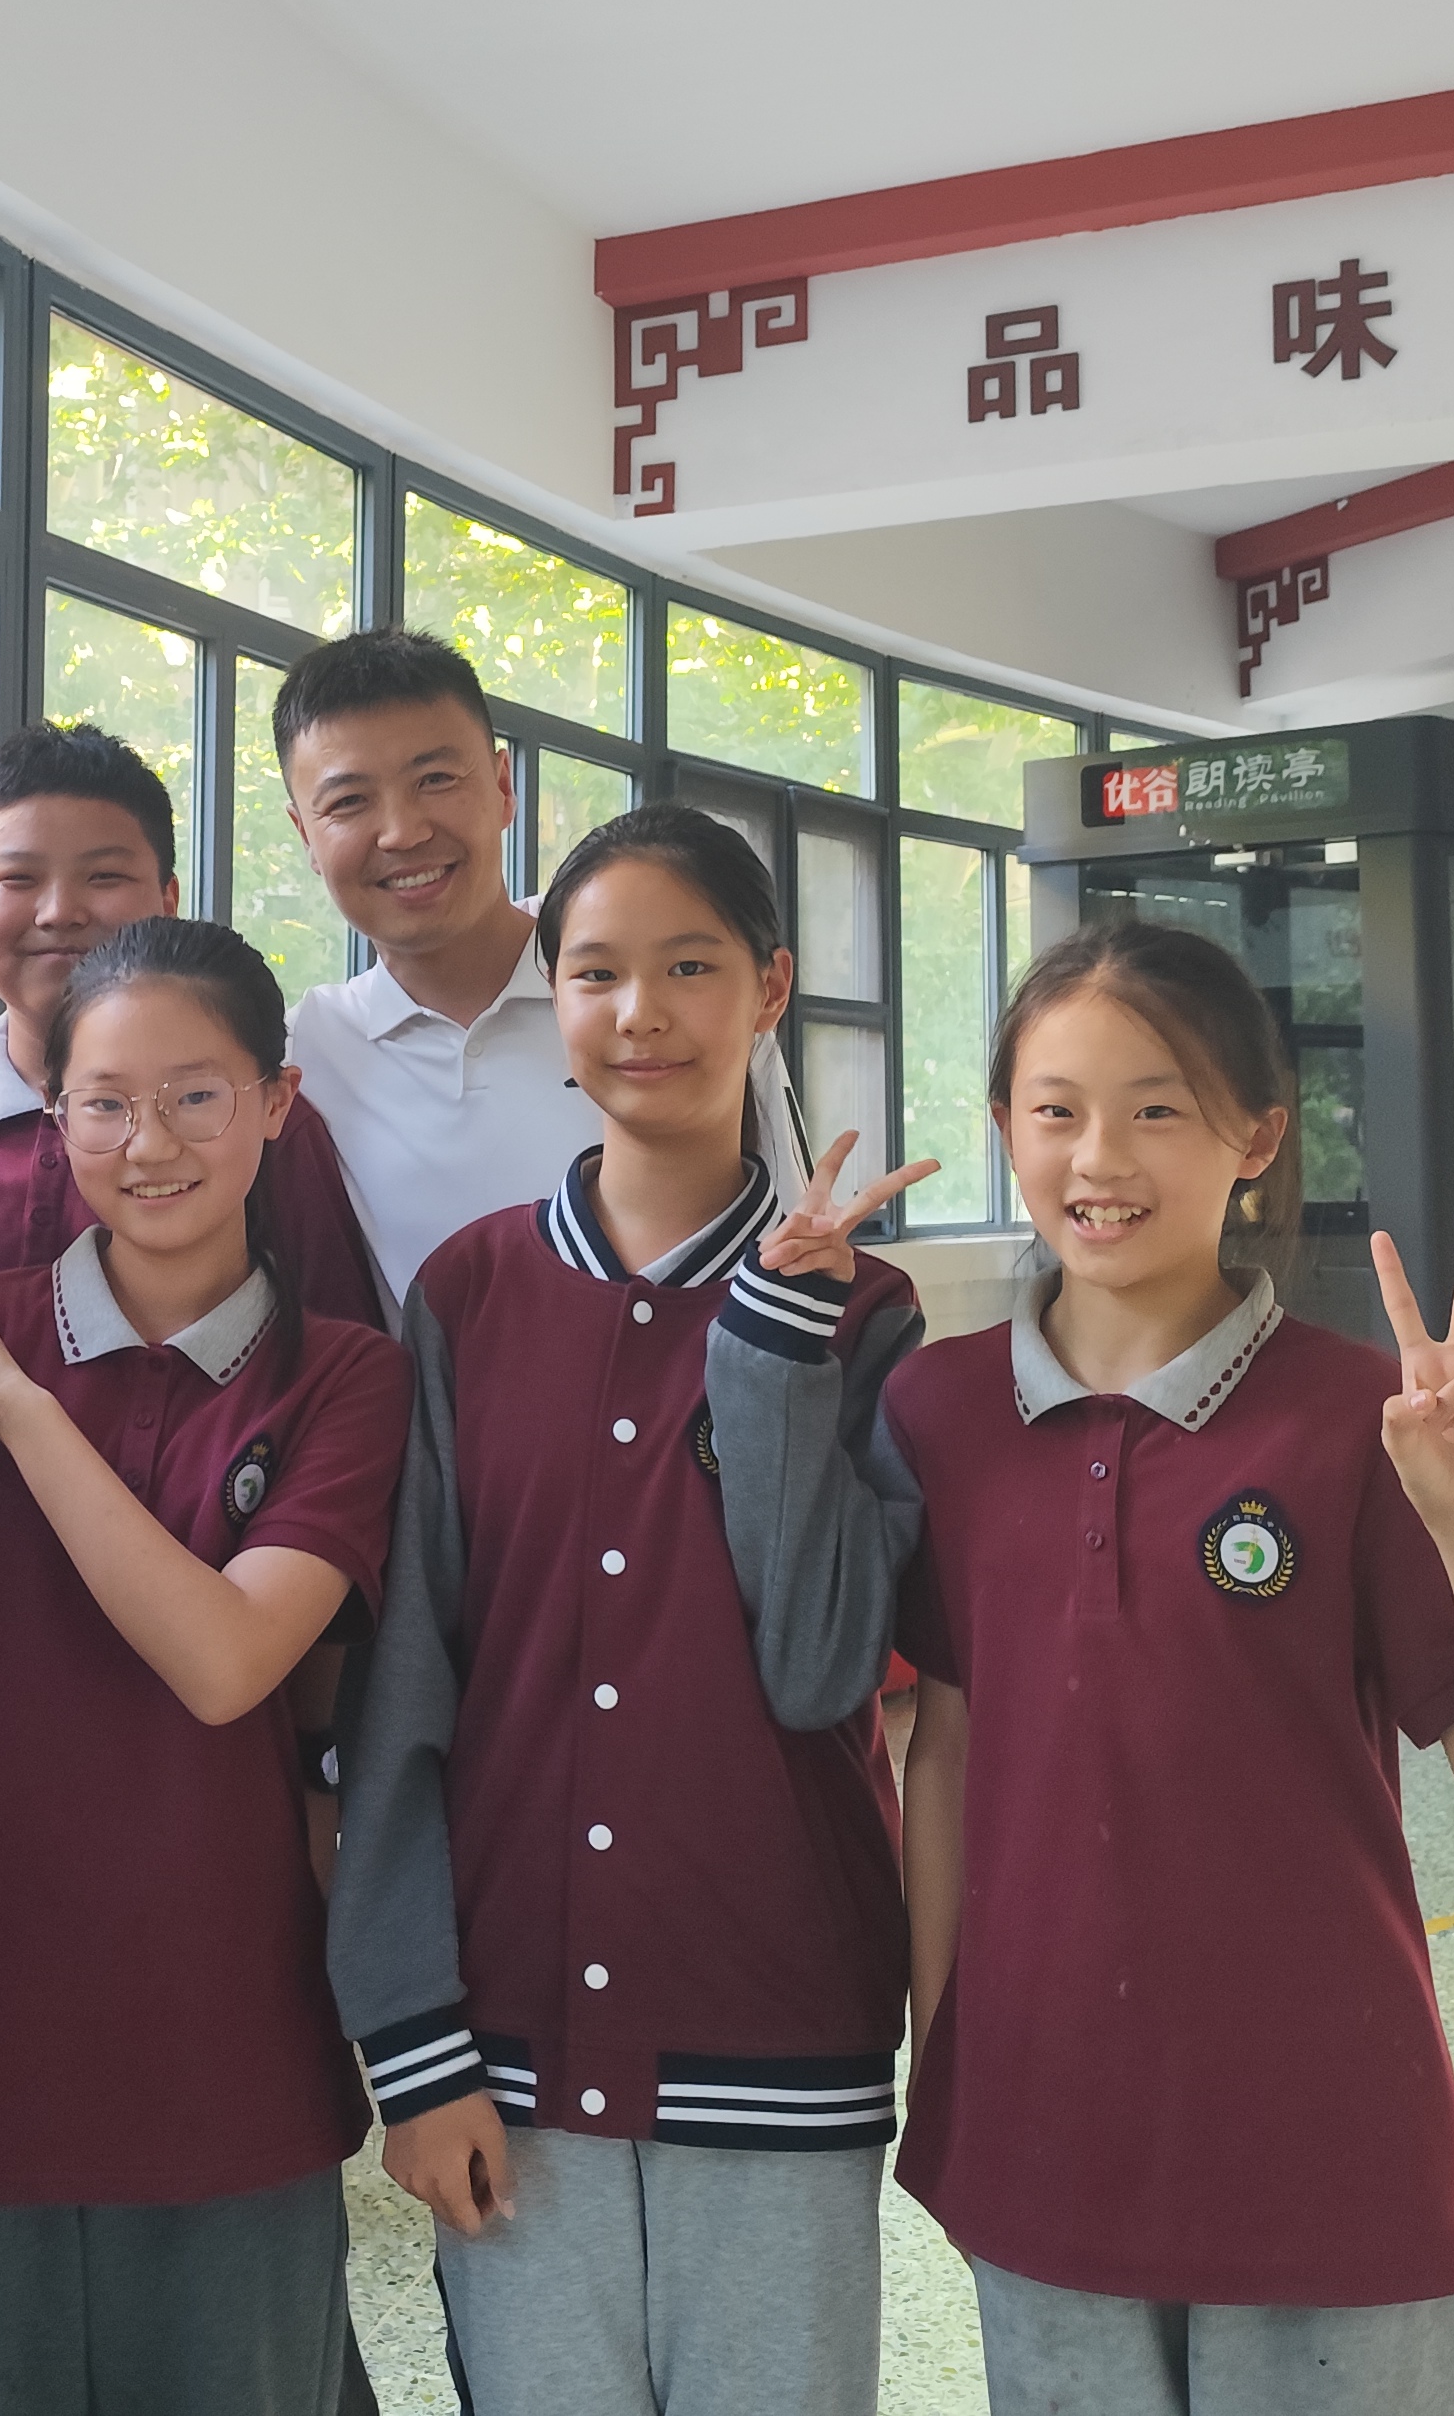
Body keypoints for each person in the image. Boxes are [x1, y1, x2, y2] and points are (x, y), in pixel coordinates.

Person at [885, 921, 1454, 2416]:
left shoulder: (1362, 1421)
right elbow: (945, 1752)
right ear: (1003, 1127)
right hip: (1044, 2147)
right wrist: (948, 2067)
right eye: (1056, 1109)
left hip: (1331, 2161)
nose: (1099, 1158)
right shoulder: (938, 1415)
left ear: (1256, 1140)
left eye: (1159, 1108)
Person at [330, 805, 935, 2416]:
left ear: (770, 989)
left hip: (780, 2028)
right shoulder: (468, 1293)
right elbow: (409, 1686)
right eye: (596, 973)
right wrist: (414, 2043)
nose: (640, 1012)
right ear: (556, 998)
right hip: (508, 2054)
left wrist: (774, 1342)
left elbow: (822, 1670)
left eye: (690, 968)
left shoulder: (869, 1317)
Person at [0, 919, 414, 2413]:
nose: (152, 1144)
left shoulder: (343, 1377)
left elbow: (225, 1662)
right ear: (52, 1115)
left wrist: (23, 1416)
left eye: (198, 1096)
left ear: (277, 1103)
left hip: (225, 2070)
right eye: (106, 1103)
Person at [0, 720, 386, 1327]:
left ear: (168, 902)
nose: (59, 912)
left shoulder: (252, 1120)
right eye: (18, 879)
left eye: (104, 877)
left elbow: (332, 1346)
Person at [271, 630, 601, 1305]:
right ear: (305, 835)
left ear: (503, 786)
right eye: (349, 802)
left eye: (436, 780)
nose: (403, 832)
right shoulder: (301, 1054)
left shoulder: (638, 985)